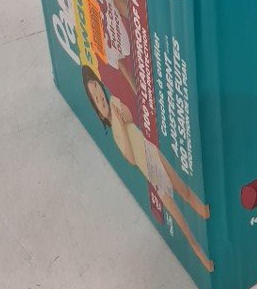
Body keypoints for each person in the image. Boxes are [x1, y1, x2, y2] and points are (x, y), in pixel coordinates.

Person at [82, 65, 213, 272]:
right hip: (150, 173)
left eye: (99, 91)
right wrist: (120, 125)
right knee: (181, 221)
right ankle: (202, 257)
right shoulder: (114, 135)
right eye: (96, 100)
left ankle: (206, 213)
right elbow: (131, 159)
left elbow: (130, 117)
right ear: (97, 110)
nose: (101, 99)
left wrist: (123, 115)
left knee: (183, 189)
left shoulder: (114, 101)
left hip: (151, 153)